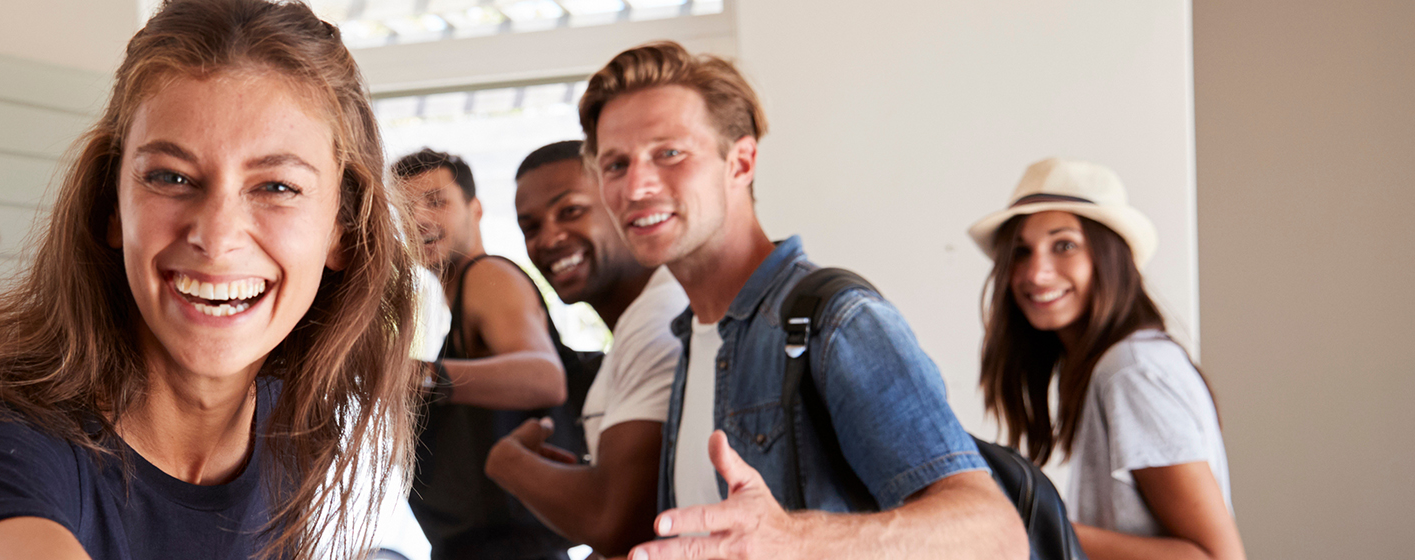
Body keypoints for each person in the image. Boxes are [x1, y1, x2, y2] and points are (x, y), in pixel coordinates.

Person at [0, 1, 424, 559]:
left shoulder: (321, 434)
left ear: (342, 227)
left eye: (277, 187)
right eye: (171, 177)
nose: (216, 237)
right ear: (111, 205)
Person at [574, 42, 1027, 560]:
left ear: (741, 162)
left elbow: (993, 533)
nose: (636, 186)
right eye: (615, 164)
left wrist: (794, 539)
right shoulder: (694, 337)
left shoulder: (836, 321)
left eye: (669, 153)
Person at [970, 158, 1243, 560]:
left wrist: (1031, 523)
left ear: (1110, 256)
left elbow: (1216, 557)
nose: (1036, 274)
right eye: (1021, 252)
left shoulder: (1132, 372)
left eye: (1064, 245)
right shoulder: (1107, 368)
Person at [485, 140, 690, 557]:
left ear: (622, 208)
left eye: (571, 211)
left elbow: (615, 523)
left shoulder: (661, 319)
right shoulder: (636, 326)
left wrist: (508, 462)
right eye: (531, 227)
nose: (549, 238)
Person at [397, 148, 574, 560]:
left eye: (436, 202)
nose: (419, 218)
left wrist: (415, 375)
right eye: (405, 208)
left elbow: (545, 377)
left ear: (474, 209)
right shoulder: (454, 312)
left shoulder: (488, 276)